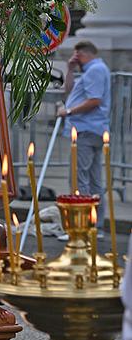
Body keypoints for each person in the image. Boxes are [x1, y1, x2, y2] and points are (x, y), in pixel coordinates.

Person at [57, 40, 111, 235]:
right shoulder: (93, 70)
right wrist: (70, 69)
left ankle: (82, 227)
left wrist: (69, 111)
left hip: (86, 130)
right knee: (94, 179)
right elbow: (70, 91)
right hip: (92, 129)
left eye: (76, 55)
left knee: (80, 178)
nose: (74, 58)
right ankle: (95, 226)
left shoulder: (95, 70)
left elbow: (94, 100)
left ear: (81, 54)